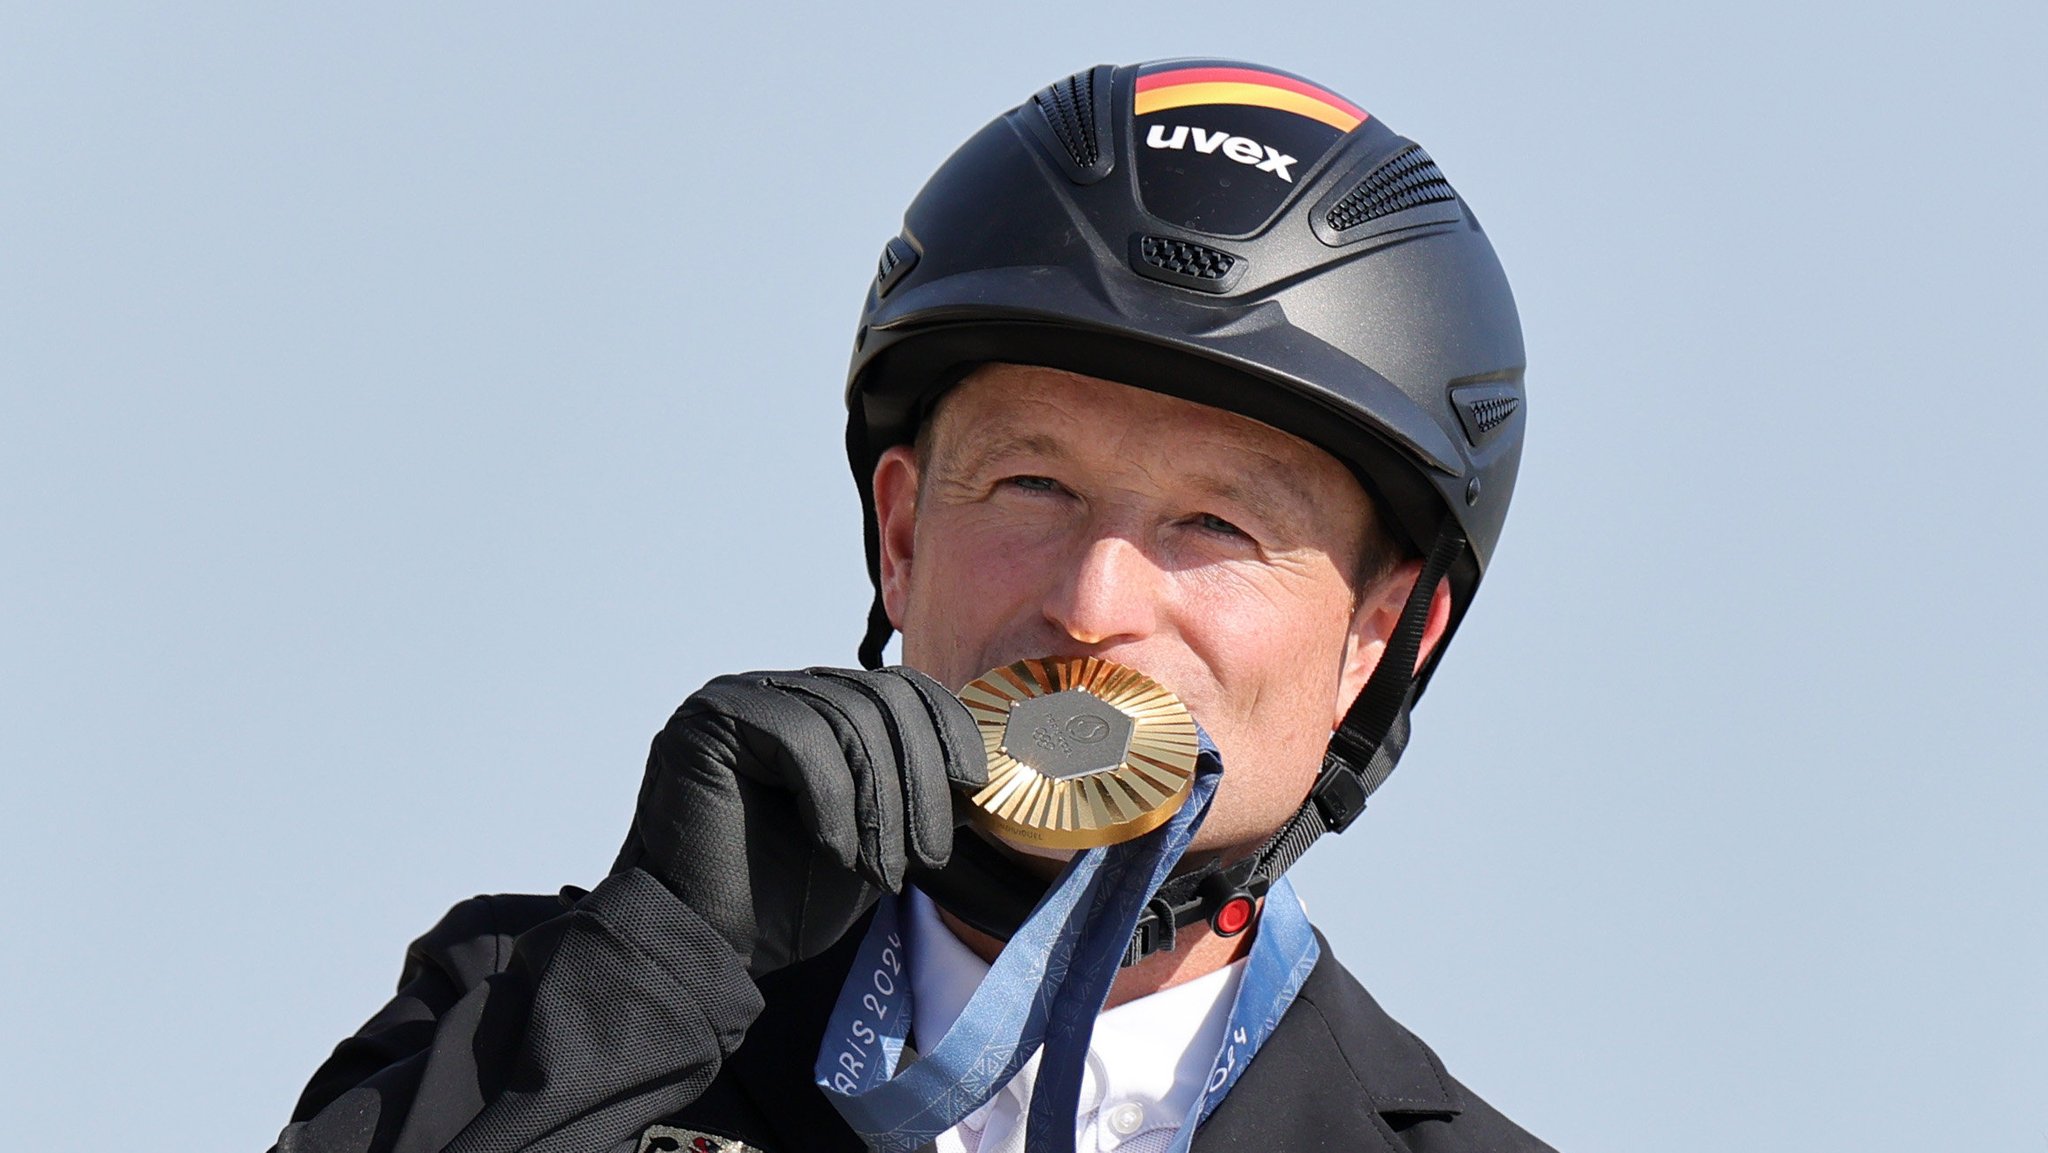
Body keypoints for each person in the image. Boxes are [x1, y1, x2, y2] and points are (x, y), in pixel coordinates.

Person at [274, 59, 1550, 1153]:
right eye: (1031, 482)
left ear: (1381, 640)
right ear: (899, 534)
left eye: (1215, 524)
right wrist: (654, 980)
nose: (1092, 603)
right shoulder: (525, 1013)